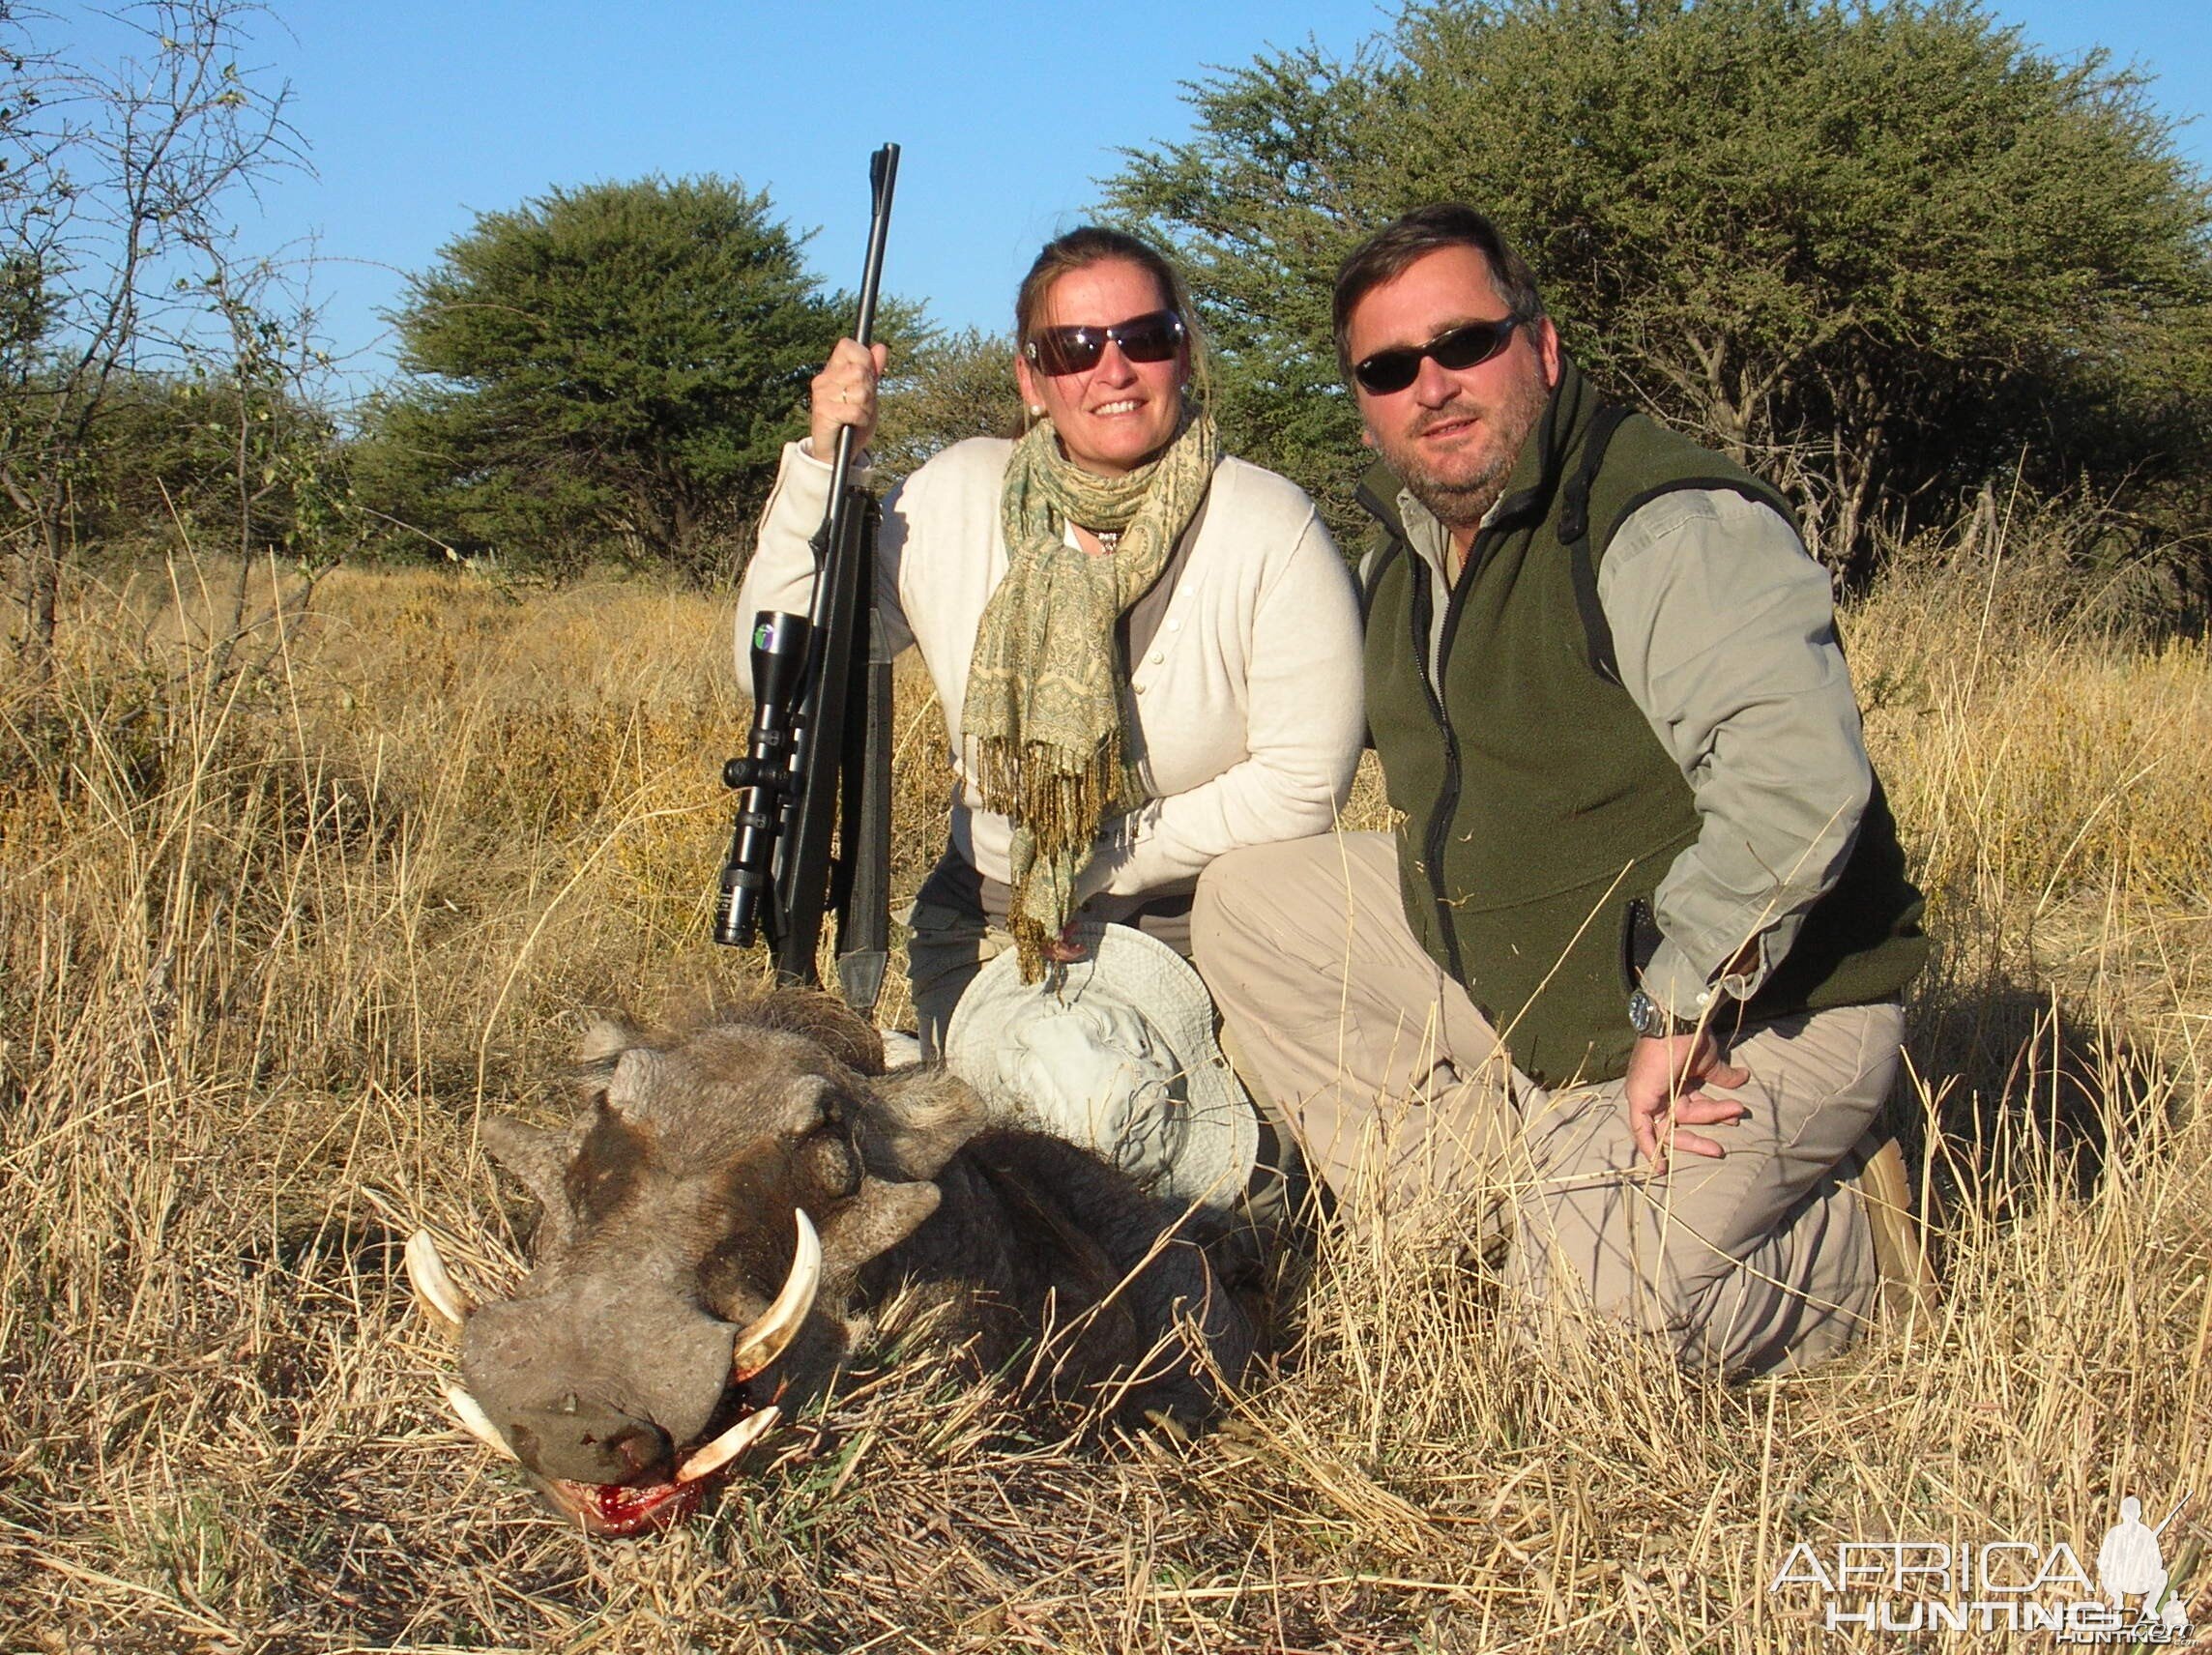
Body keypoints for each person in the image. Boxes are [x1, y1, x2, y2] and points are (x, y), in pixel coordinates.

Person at [1190, 205, 1932, 1376]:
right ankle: (1511, 1207)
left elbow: (1796, 789)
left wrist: (1675, 1002)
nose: (1429, 385)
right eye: (1388, 368)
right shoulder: (1409, 558)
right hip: (1536, 976)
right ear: (1364, 402)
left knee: (1586, 1335)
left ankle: (1851, 1249)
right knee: (1245, 904)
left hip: (1756, 1003)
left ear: (1537, 345)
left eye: (1463, 344)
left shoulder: (1660, 522)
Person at [739, 228, 1364, 1090]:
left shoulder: (1269, 523)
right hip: (988, 913)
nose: (1113, 370)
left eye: (1145, 337)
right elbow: (780, 666)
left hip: (1198, 921)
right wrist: (819, 465)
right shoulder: (953, 494)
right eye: (1074, 348)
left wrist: (1092, 865)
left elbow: (1304, 782)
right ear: (1031, 381)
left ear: (1183, 355)